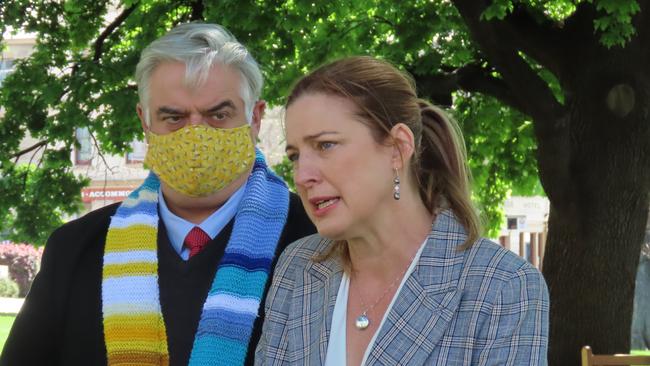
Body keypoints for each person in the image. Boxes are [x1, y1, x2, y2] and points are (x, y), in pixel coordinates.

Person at [0, 23, 315, 366]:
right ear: (145, 123)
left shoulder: (317, 243)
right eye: (174, 117)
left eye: (218, 114)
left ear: (254, 118)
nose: (197, 134)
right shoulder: (76, 250)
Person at [255, 56, 549, 365]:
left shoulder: (503, 285)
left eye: (325, 145)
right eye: (295, 156)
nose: (302, 176)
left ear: (397, 148)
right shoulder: (297, 267)